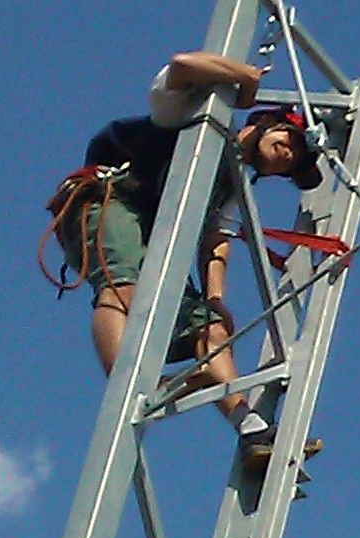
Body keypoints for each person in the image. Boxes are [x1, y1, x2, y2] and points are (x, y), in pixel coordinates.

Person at [51, 53, 325, 467]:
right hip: (110, 198)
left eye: (295, 161)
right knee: (122, 282)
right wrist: (244, 77)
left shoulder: (231, 185)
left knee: (211, 330)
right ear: (269, 122)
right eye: (290, 139)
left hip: (157, 235)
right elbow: (181, 67)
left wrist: (215, 300)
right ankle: (126, 382)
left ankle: (248, 426)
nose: (289, 154)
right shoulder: (197, 116)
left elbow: (216, 239)